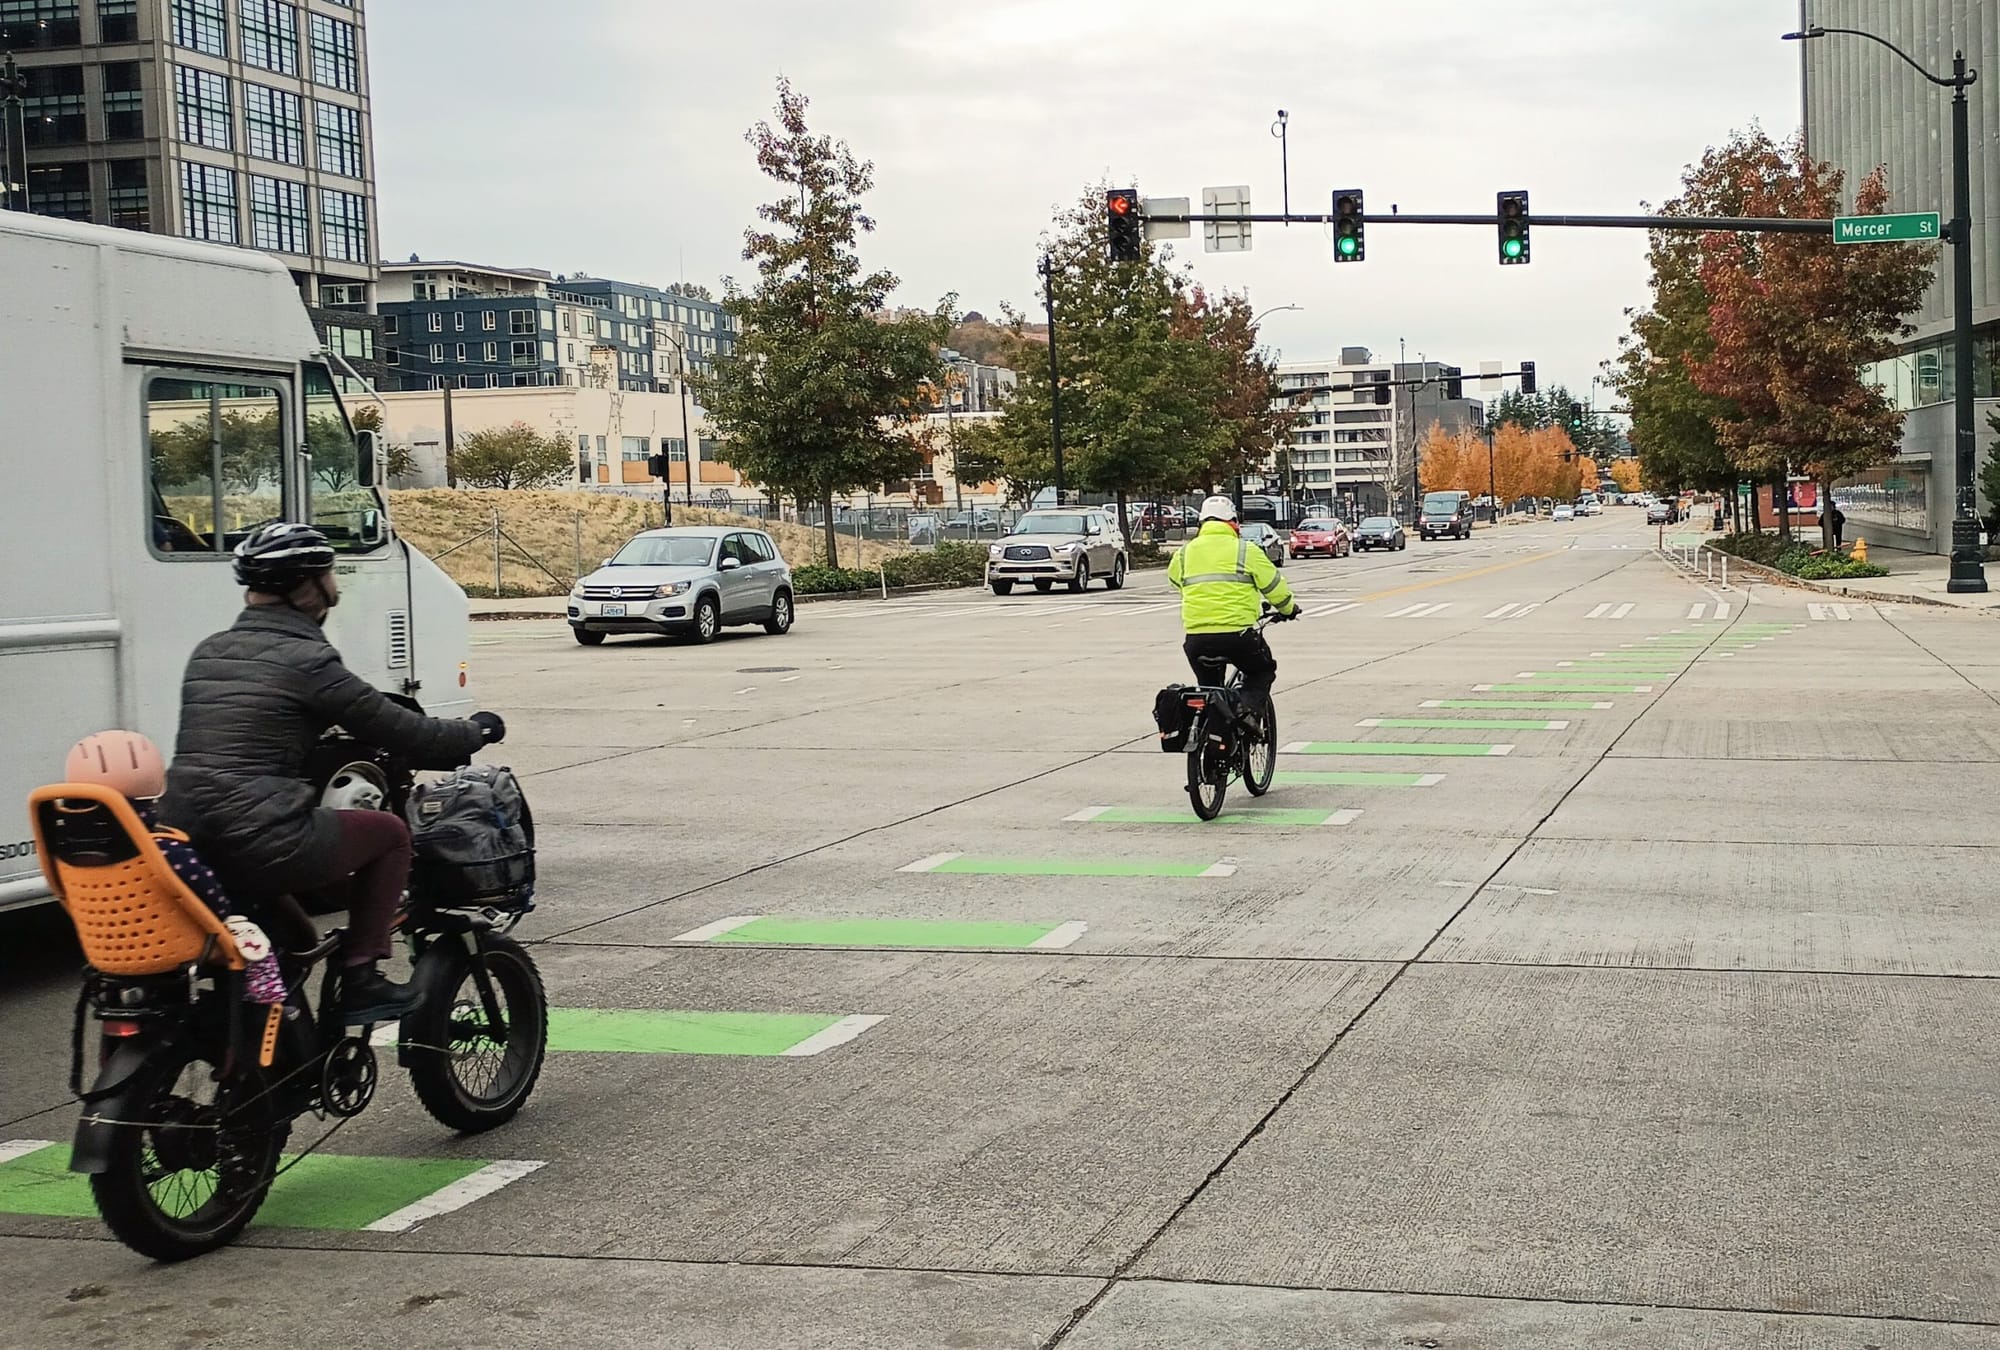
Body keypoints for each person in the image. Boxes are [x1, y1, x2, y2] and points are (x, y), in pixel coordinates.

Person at [161, 523, 505, 1021]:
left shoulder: (209, 651)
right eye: (331, 573)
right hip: (262, 837)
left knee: (298, 938)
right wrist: (475, 732)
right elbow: (406, 732)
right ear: (310, 586)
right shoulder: (309, 659)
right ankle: (362, 978)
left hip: (188, 837)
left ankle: (280, 1040)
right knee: (388, 835)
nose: (336, 586)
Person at [63, 729, 288, 1002]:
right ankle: (268, 1000)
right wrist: (226, 911)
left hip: (107, 947)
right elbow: (206, 891)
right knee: (254, 934)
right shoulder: (164, 848)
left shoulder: (72, 848)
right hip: (173, 945)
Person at [1166, 496, 1300, 727]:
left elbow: (1175, 580)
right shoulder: (1245, 550)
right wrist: (1288, 609)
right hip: (1238, 636)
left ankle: (1209, 746)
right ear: (1232, 522)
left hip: (1196, 639)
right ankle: (1245, 711)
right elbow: (1274, 587)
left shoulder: (1184, 553)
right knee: (1262, 671)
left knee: (1210, 691)